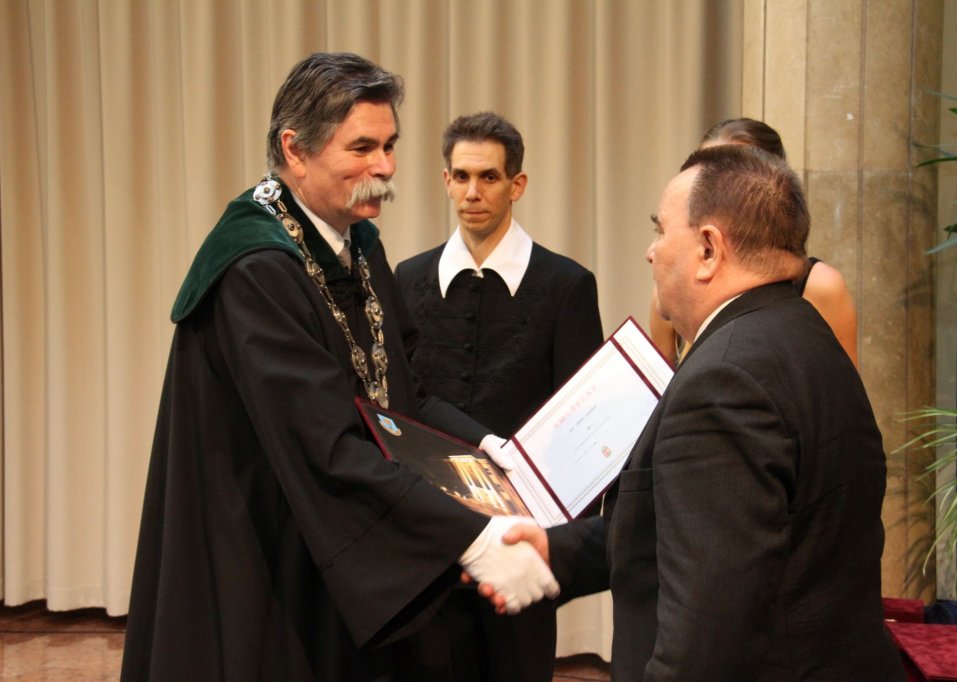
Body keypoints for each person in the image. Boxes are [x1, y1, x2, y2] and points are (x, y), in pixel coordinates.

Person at [120, 53, 558, 682]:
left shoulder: (355, 243)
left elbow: (402, 391)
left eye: (389, 145)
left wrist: (485, 447)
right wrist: (472, 538)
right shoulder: (256, 270)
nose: (385, 167)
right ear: (295, 150)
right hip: (266, 558)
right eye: (362, 148)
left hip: (329, 540)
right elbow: (325, 447)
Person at [492, 145, 905, 680]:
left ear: (709, 249)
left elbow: (708, 640)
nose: (651, 252)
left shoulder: (725, 382)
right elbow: (704, 529)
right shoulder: (803, 334)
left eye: (661, 230)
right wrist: (558, 548)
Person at [394, 112, 604, 681]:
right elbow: (401, 402)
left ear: (517, 184)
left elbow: (581, 423)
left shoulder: (566, 285)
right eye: (461, 176)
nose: (472, 192)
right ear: (445, 181)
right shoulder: (407, 279)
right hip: (430, 534)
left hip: (520, 533)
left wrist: (562, 545)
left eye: (488, 177)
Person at [649, 117, 859, 367]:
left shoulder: (822, 287)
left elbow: (834, 385)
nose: (713, 188)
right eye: (704, 171)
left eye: (731, 174)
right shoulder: (671, 294)